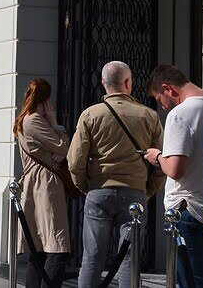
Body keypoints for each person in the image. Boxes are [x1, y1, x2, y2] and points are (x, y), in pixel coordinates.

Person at [68, 61, 164, 288]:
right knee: (130, 259)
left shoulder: (90, 115)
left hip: (99, 190)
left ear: (103, 84)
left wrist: (86, 186)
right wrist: (147, 190)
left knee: (92, 257)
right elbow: (161, 161)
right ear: (128, 82)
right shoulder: (148, 116)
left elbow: (75, 161)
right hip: (135, 193)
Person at [141, 64, 203, 288]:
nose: (163, 106)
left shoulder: (180, 114)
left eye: (160, 99)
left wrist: (157, 156)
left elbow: (175, 169)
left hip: (187, 209)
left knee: (188, 281)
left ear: (168, 88)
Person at [13, 79, 70, 288]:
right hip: (45, 185)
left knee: (38, 250)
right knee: (57, 247)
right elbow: (65, 147)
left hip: (36, 183)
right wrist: (56, 124)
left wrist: (54, 153)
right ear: (46, 100)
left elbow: (57, 151)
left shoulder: (24, 120)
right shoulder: (35, 120)